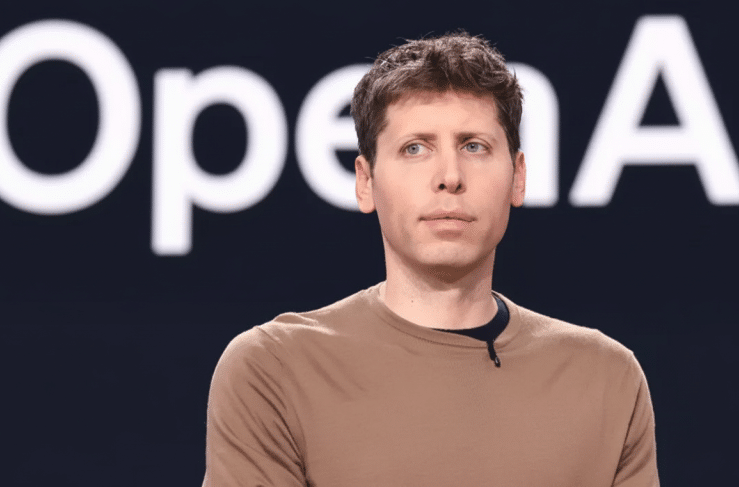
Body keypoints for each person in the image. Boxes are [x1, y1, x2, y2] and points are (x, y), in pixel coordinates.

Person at [202, 32, 659, 486]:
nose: (450, 177)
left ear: (518, 177)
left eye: (473, 146)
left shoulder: (606, 379)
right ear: (366, 181)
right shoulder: (274, 369)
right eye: (415, 148)